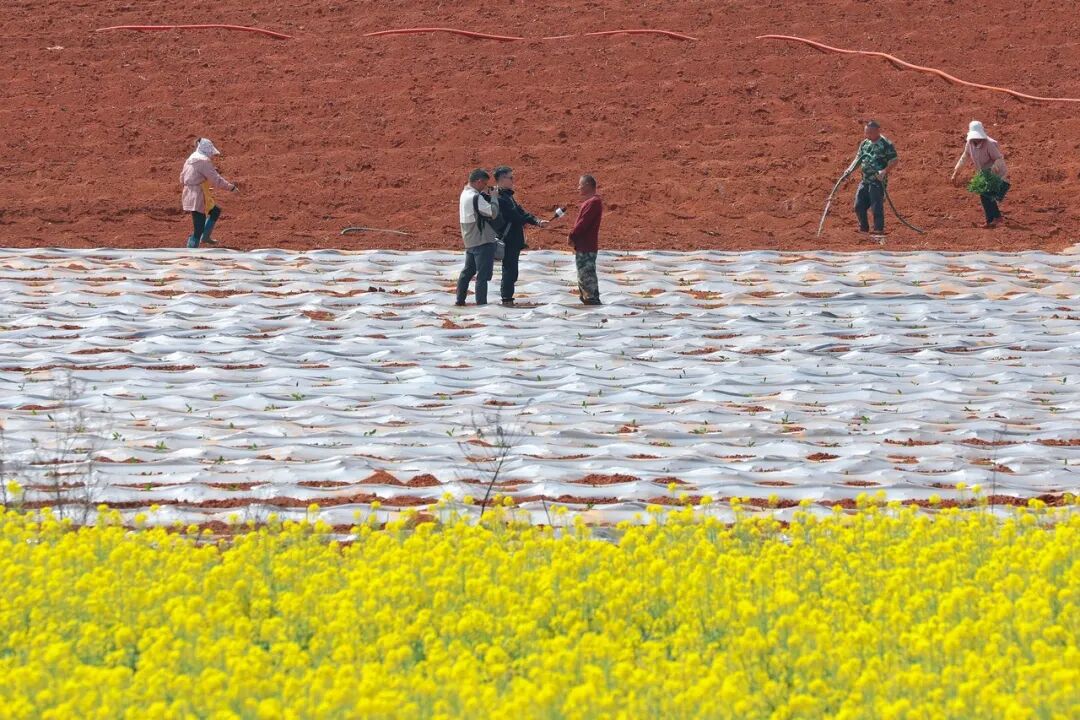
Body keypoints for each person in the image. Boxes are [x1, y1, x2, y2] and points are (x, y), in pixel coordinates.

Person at [492, 166, 548, 306]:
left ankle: (508, 299)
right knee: (509, 271)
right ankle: (507, 300)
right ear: (501, 179)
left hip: (514, 239)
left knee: (512, 271)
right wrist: (534, 221)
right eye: (510, 178)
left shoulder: (507, 196)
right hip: (509, 240)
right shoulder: (500, 198)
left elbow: (521, 212)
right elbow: (517, 216)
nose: (513, 180)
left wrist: (537, 221)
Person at [180, 138, 238, 248]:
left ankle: (205, 237)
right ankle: (191, 251)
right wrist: (231, 187)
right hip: (198, 195)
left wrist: (193, 183)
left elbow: (182, 178)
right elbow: (216, 179)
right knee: (199, 227)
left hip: (190, 193)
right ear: (207, 151)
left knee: (215, 211)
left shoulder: (190, 159)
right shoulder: (204, 162)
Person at [951, 120, 1009, 228]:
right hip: (983, 173)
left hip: (995, 171)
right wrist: (956, 172)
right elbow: (964, 157)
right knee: (986, 196)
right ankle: (995, 219)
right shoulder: (970, 143)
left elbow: (999, 159)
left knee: (986, 195)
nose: (976, 139)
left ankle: (993, 220)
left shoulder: (989, 144)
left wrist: (992, 171)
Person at [456, 169, 500, 306]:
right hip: (482, 241)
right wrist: (494, 197)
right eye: (485, 184)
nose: (486, 187)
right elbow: (493, 213)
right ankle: (481, 304)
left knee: (467, 272)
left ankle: (460, 300)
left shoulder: (464, 194)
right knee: (482, 276)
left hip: (470, 240)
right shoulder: (476, 197)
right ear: (479, 181)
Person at [851, 120, 898, 236]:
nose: (868, 135)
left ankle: (878, 230)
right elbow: (858, 159)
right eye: (866, 132)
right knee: (858, 205)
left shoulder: (886, 144)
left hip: (878, 181)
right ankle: (864, 229)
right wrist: (849, 170)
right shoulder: (864, 143)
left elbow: (894, 160)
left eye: (870, 132)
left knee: (876, 206)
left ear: (878, 131)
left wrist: (884, 171)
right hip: (865, 179)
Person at [568, 174, 603, 305]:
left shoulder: (593, 203)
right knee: (583, 275)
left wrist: (572, 235)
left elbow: (583, 224)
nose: (578, 188)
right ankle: (587, 299)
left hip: (586, 247)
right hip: (584, 246)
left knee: (587, 276)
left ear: (588, 185)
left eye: (580, 185)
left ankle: (591, 300)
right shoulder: (590, 202)